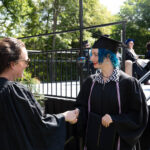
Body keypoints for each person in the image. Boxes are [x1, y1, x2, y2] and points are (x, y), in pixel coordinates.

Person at [0, 37, 79, 150]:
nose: (27, 65)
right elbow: (39, 126)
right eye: (26, 61)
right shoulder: (16, 92)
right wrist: (64, 116)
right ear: (13, 64)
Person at [75, 36, 148, 150]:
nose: (91, 58)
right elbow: (82, 106)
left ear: (108, 56)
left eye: (95, 54)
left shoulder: (128, 83)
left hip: (118, 144)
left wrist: (115, 119)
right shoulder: (90, 82)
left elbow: (138, 116)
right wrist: (78, 111)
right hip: (93, 143)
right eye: (91, 54)